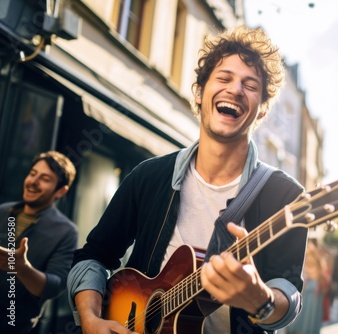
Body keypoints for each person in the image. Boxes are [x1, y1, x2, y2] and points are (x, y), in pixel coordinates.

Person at [67, 25, 308, 334]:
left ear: (261, 111)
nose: (235, 90)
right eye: (223, 78)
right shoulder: (149, 176)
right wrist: (90, 319)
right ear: (199, 92)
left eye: (250, 85)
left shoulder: (285, 195)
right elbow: (94, 257)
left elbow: (289, 294)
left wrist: (261, 299)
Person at [0, 151, 78, 333]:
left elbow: (55, 286)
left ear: (61, 190)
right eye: (33, 173)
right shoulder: (2, 211)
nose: (33, 182)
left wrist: (22, 268)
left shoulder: (66, 231)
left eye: (44, 178)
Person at [287, 240, 329, 334]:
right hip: (308, 290)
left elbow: (319, 275)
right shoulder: (305, 260)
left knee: (311, 314)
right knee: (304, 314)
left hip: (314, 291)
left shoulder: (316, 261)